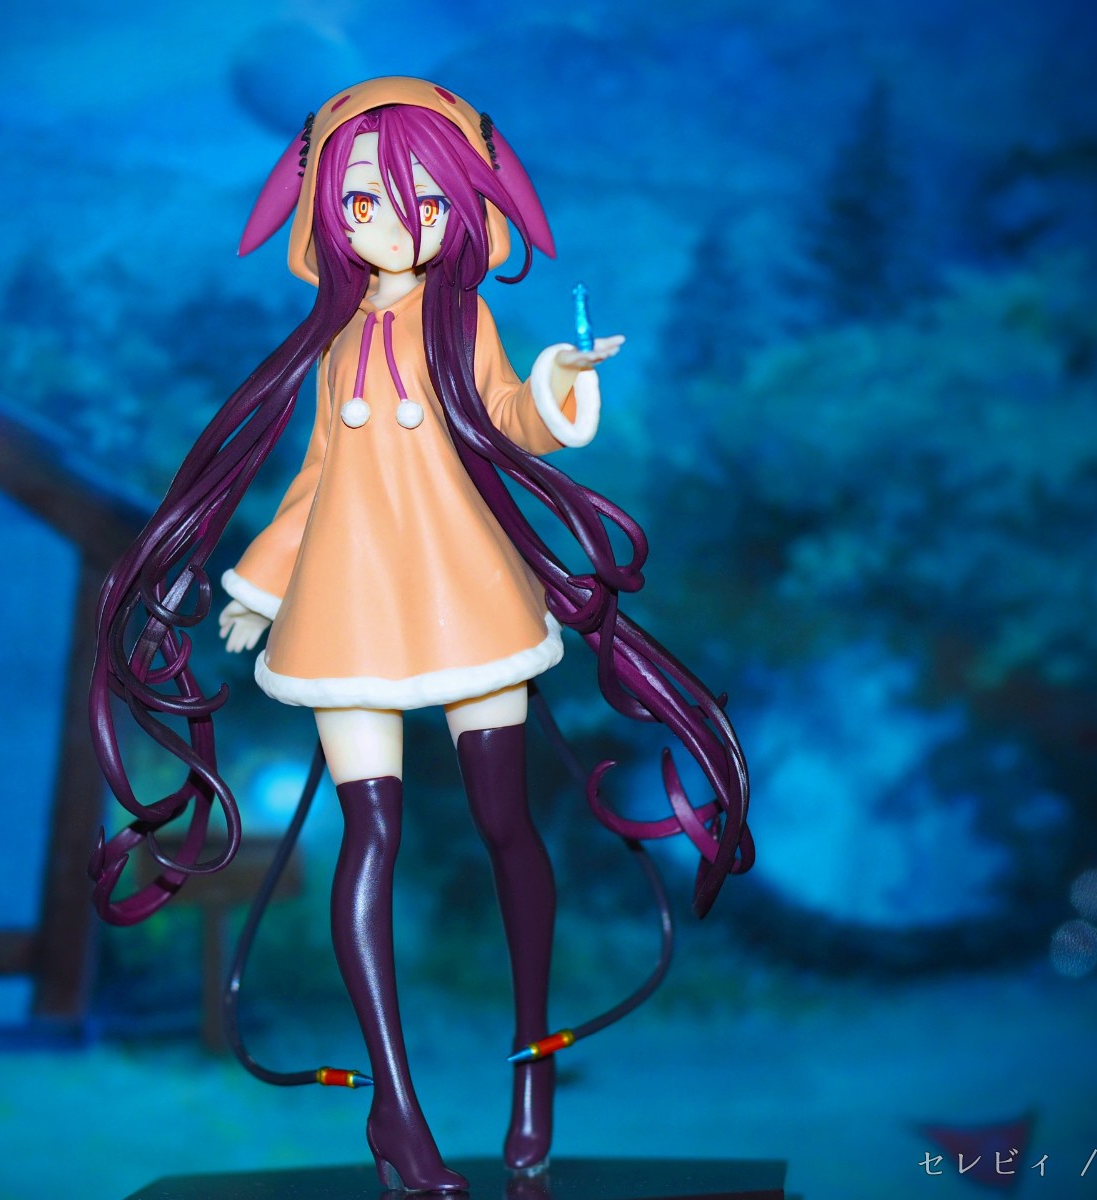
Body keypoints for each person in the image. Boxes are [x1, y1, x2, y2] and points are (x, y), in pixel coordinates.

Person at [90, 77, 751, 1195]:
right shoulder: (330, 345)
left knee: (504, 822)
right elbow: (315, 477)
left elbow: (509, 420)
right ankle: (394, 1108)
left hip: (461, 591)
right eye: (362, 204)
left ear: (463, 212)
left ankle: (533, 1066)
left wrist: (557, 384)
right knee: (371, 833)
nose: (391, 228)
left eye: (424, 204)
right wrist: (261, 584)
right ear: (326, 216)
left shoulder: (463, 321)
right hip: (348, 604)